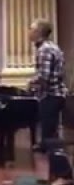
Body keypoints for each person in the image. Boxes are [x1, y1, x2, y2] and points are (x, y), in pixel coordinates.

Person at [28, 19, 67, 150]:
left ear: (38, 32)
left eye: (31, 29)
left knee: (49, 133)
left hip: (51, 95)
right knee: (50, 130)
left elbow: (44, 77)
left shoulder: (44, 50)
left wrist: (30, 83)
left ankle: (55, 164)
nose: (28, 32)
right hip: (56, 94)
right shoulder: (51, 46)